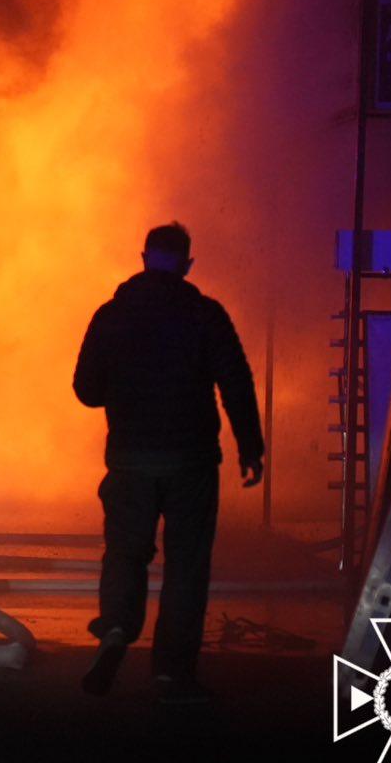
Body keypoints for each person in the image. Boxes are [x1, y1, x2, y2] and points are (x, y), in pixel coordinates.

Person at [73, 222, 264, 704]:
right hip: (191, 461)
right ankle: (171, 673)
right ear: (187, 264)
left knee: (125, 552)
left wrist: (125, 388)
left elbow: (86, 390)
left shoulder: (109, 316)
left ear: (143, 258)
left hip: (130, 460)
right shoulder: (205, 315)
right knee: (187, 565)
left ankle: (116, 628)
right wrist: (251, 447)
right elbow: (236, 383)